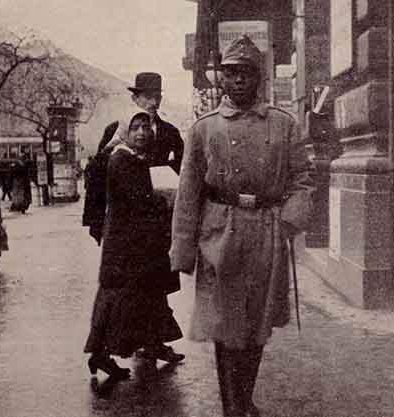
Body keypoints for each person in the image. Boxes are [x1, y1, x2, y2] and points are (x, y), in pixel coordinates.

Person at [170, 35, 315, 417]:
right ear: (222, 78)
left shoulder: (284, 125)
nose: (237, 81)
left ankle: (245, 398)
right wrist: (183, 249)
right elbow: (188, 192)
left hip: (266, 229)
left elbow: (303, 179)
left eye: (245, 74)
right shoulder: (204, 128)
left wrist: (288, 220)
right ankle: (232, 407)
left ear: (259, 78)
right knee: (225, 321)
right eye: (230, 74)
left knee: (257, 320)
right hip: (221, 230)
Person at [82, 71, 185, 363]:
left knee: (157, 284)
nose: (152, 102)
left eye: (156, 97)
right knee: (129, 286)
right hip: (128, 225)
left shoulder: (168, 132)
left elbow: (185, 170)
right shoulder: (118, 131)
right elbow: (98, 177)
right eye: (146, 97)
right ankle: (137, 342)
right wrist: (94, 220)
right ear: (135, 98)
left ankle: (152, 342)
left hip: (159, 224)